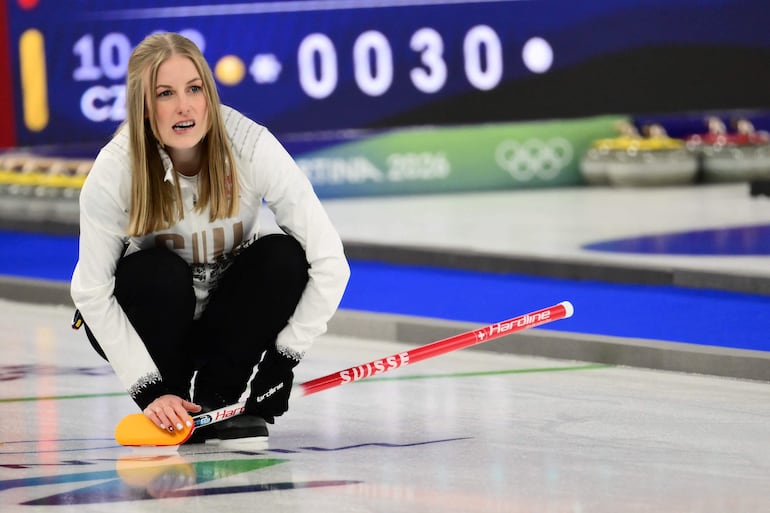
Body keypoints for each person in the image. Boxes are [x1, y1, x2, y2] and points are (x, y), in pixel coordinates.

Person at [70, 32, 350, 446]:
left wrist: (283, 360)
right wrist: (148, 388)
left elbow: (330, 262)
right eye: (165, 93)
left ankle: (219, 400)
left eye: (194, 88)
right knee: (157, 271)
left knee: (283, 257)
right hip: (156, 321)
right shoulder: (116, 169)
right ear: (143, 106)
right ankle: (173, 398)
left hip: (225, 320)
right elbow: (91, 292)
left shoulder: (251, 145)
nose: (184, 106)